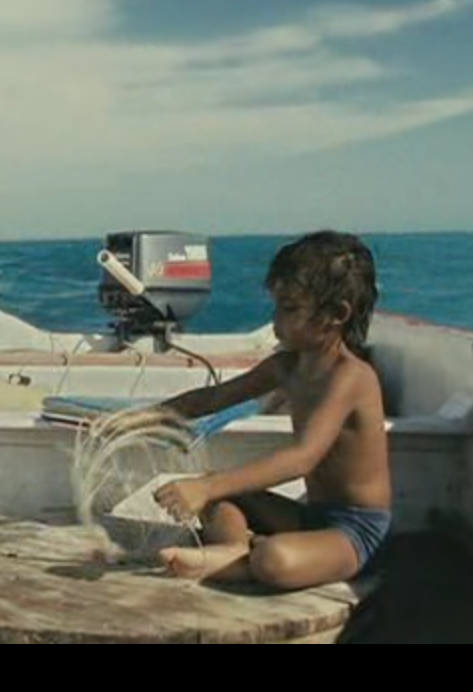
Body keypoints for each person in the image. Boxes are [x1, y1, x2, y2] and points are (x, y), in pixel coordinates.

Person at [152, 230, 392, 591]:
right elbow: (214, 397)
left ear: (336, 315)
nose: (276, 320)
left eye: (290, 308)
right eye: (277, 306)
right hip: (310, 517)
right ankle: (234, 551)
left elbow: (303, 458)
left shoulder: (352, 377)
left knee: (274, 559)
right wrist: (145, 418)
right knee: (217, 498)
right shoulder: (286, 366)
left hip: (357, 532)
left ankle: (243, 561)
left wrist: (205, 486)